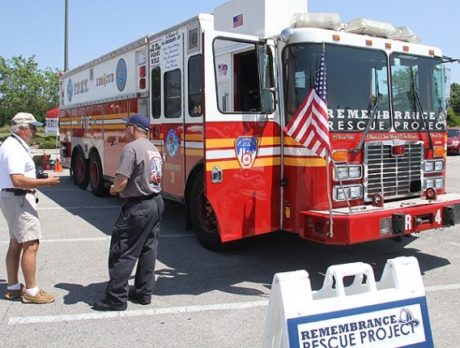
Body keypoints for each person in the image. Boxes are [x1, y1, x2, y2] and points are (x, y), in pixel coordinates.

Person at [93, 113, 164, 311]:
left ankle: (115, 298)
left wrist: (114, 189)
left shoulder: (131, 148)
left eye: (126, 127)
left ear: (133, 128)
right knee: (149, 249)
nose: (125, 130)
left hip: (138, 205)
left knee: (123, 250)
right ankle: (144, 292)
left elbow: (121, 180)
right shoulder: (153, 148)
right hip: (156, 202)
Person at [0, 112, 60, 304]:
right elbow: (18, 179)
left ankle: (13, 286)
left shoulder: (11, 145)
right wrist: (47, 183)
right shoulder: (14, 148)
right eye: (33, 127)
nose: (35, 130)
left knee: (16, 242)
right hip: (19, 197)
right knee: (31, 243)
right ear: (23, 128)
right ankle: (32, 291)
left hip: (12, 197)